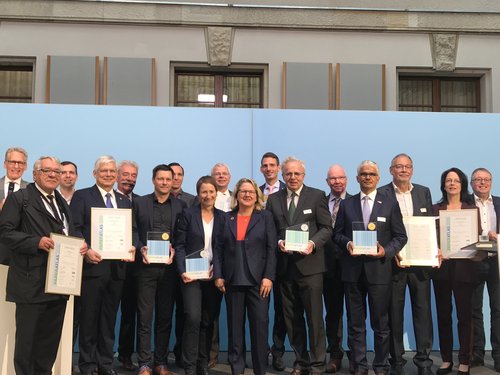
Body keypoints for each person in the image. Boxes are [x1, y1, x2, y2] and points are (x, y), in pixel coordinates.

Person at [0, 156, 87, 375]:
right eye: (46, 171)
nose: (52, 175)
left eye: (56, 172)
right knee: (27, 344)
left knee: (48, 344)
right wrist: (35, 242)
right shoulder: (21, 198)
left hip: (59, 283)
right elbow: (5, 232)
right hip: (31, 282)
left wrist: (81, 245)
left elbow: (69, 232)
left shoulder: (60, 201)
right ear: (35, 174)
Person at [333, 160, 407, 375]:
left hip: (379, 272)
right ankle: (359, 365)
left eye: (371, 174)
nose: (367, 177)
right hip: (352, 272)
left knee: (381, 324)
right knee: (356, 324)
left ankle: (381, 366)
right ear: (357, 178)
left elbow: (401, 236)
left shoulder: (390, 203)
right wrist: (347, 243)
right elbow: (336, 234)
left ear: (378, 178)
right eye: (363, 174)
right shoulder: (347, 204)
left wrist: (386, 251)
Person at [266, 156, 332, 375]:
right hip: (285, 269)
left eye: (297, 174)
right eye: (288, 174)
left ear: (303, 175)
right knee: (291, 319)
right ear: (282, 176)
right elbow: (271, 230)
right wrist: (278, 242)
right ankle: (301, 361)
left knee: (314, 319)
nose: (292, 177)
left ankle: (317, 364)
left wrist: (313, 243)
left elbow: (326, 228)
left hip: (310, 267)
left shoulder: (317, 196)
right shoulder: (273, 199)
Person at [70, 155, 135, 375]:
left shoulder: (124, 200)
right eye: (103, 171)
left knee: (109, 319)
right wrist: (86, 249)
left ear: (116, 175)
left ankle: (105, 364)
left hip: (118, 269)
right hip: (92, 268)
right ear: (95, 174)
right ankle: (87, 365)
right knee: (89, 318)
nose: (108, 174)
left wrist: (133, 246)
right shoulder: (82, 196)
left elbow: (132, 231)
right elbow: (75, 228)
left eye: (111, 171)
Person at [214, 178, 277, 375]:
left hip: (259, 282)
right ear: (237, 195)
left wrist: (268, 276)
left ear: (257, 195)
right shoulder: (226, 218)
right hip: (232, 280)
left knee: (259, 329)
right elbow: (218, 248)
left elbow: (271, 249)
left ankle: (260, 370)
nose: (247, 195)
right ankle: (237, 370)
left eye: (251, 192)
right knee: (235, 330)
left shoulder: (265, 217)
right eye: (243, 192)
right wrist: (219, 275)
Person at [378, 154, 434, 375]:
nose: (403, 170)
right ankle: (397, 362)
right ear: (391, 170)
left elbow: (429, 226)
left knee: (423, 313)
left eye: (407, 167)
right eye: (398, 167)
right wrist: (392, 253)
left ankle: (424, 363)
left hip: (421, 264)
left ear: (412, 170)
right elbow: (380, 230)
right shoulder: (382, 193)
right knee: (394, 314)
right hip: (394, 264)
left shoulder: (423, 192)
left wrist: (434, 249)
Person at [133, 164, 186, 375]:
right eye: (160, 179)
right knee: (145, 318)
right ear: (153, 180)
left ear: (173, 181)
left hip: (169, 270)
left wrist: (176, 250)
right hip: (145, 268)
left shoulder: (181, 206)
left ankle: (161, 362)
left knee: (164, 318)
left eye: (168, 179)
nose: (164, 182)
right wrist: (140, 248)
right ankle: (144, 363)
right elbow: (133, 230)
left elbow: (183, 235)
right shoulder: (139, 203)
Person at [432, 167, 483, 375]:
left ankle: (464, 360)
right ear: (443, 185)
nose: (452, 184)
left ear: (462, 185)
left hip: (465, 268)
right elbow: (429, 237)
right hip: (442, 268)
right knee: (444, 315)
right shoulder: (435, 209)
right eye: (448, 180)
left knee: (465, 317)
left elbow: (477, 239)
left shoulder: (472, 210)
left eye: (456, 180)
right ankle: (446, 359)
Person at [175, 176, 224, 375]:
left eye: (211, 191)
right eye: (204, 191)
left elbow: (221, 249)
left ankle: (202, 363)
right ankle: (189, 364)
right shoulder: (187, 214)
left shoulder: (222, 217)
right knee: (193, 318)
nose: (208, 195)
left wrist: (218, 272)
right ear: (198, 194)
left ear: (216, 193)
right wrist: (182, 271)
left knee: (207, 320)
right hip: (191, 275)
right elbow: (179, 245)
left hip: (212, 275)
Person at [259, 152, 287, 371]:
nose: (269, 169)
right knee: (261, 309)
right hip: (261, 261)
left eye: (272, 165)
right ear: (261, 169)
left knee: (282, 309)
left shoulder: (289, 192)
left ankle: (278, 351)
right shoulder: (255, 193)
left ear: (279, 168)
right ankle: (262, 350)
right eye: (265, 166)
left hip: (286, 259)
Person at [470, 168, 500, 371]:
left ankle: (498, 355)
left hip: (496, 261)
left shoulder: (499, 202)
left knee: (498, 310)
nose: (482, 183)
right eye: (478, 180)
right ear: (471, 183)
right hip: (472, 261)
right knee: (473, 311)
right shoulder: (464, 204)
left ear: (491, 182)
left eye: (486, 179)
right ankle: (476, 354)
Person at [323, 164, 351, 374]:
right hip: (326, 268)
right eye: (333, 179)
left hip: (353, 267)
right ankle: (335, 354)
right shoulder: (319, 203)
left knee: (355, 314)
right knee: (332, 314)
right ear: (327, 182)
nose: (337, 182)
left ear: (347, 180)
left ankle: (357, 355)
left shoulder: (354, 202)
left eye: (340, 178)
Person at [169, 161, 196, 368]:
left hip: (188, 266)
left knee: (185, 312)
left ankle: (181, 352)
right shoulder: (150, 201)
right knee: (163, 314)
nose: (175, 178)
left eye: (179, 174)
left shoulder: (192, 201)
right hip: (160, 265)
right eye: (172, 175)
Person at [116, 160, 140, 371]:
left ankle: (125, 356)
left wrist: (138, 247)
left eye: (133, 175)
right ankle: (99, 357)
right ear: (116, 176)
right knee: (103, 313)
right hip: (107, 266)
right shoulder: (104, 201)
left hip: (134, 268)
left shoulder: (141, 202)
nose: (129, 179)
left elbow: (141, 232)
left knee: (130, 314)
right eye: (125, 174)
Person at [208, 162, 233, 368]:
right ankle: (211, 354)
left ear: (230, 177)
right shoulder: (205, 198)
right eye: (217, 174)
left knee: (236, 314)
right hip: (210, 262)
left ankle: (235, 356)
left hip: (235, 263)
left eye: (224, 174)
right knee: (211, 313)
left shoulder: (239, 197)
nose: (221, 177)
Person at [0, 146, 29, 211]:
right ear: (5, 164)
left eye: (20, 163)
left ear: (25, 166)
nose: (16, 166)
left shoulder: (31, 189)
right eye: (12, 162)